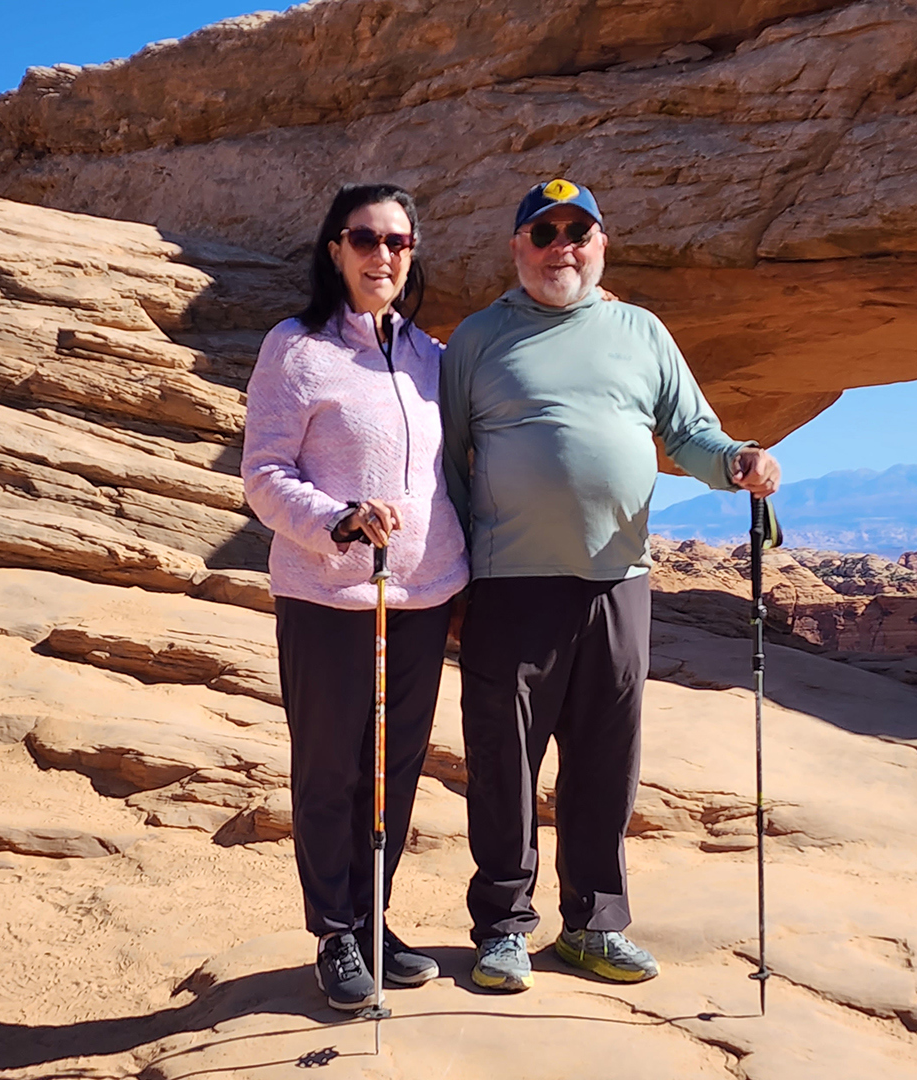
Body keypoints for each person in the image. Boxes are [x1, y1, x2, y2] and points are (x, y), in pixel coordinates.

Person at [440, 177, 781, 992]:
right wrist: (452, 579)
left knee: (605, 760)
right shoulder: (478, 340)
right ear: (518, 246)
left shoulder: (641, 331)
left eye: (578, 233)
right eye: (545, 232)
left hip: (617, 582)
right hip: (510, 583)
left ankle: (593, 925)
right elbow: (448, 465)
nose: (563, 246)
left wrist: (735, 462)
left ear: (602, 244)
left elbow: (688, 430)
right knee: (504, 760)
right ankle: (504, 930)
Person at [242, 183, 469, 1010]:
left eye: (399, 243)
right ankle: (335, 931)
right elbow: (264, 474)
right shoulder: (297, 348)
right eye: (365, 239)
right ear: (334, 248)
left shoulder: (432, 357)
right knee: (332, 764)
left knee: (394, 769)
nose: (383, 256)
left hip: (422, 592)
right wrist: (334, 520)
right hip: (330, 593)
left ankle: (374, 919)